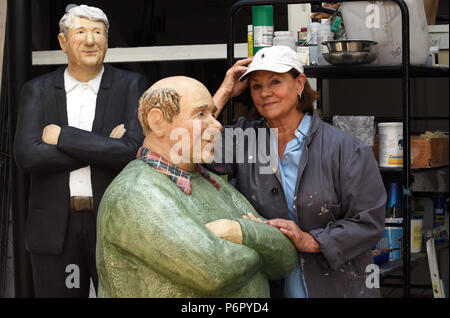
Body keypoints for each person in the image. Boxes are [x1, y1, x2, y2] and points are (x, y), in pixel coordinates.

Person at [208, 45, 387, 298]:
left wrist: (310, 241)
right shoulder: (246, 140)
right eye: (256, 86)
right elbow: (186, 146)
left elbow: (369, 222)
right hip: (271, 285)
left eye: (275, 82)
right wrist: (225, 90)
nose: (265, 93)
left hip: (336, 287)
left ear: (300, 83)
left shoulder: (344, 148)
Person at [95, 76, 298, 297]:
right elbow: (215, 272)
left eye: (212, 113)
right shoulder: (135, 193)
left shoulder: (208, 180)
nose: (217, 125)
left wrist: (239, 231)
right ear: (158, 122)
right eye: (201, 114)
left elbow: (286, 257)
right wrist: (261, 242)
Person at [14, 5, 148, 297]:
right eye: (81, 32)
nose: (90, 40)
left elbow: (133, 152)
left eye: (98, 32)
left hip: (113, 224)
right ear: (63, 42)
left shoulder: (131, 85)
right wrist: (104, 145)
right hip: (54, 228)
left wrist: (62, 136)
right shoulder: (37, 90)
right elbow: (27, 155)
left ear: (107, 40)